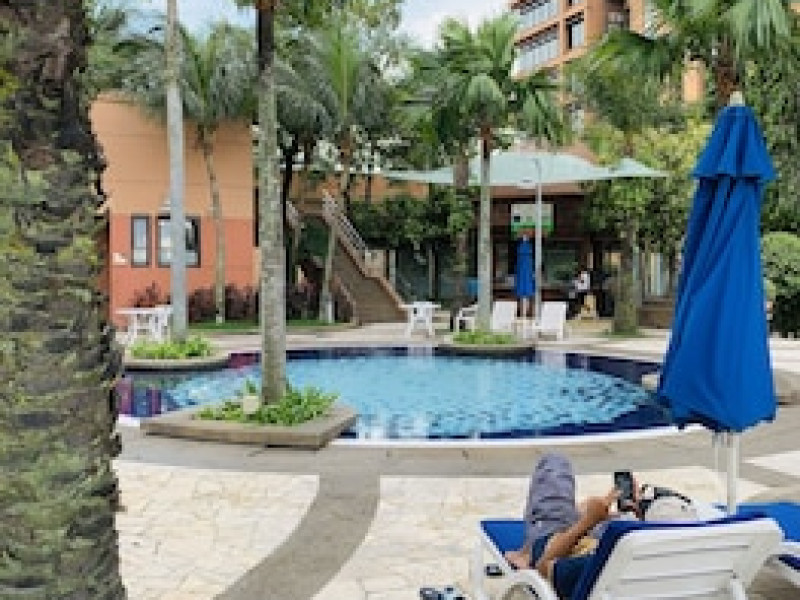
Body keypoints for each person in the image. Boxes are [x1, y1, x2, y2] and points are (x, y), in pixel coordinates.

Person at [505, 455, 698, 599]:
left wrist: (585, 523)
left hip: (554, 539)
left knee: (555, 463)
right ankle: (592, 513)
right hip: (607, 547)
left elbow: (543, 567)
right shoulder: (691, 564)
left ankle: (525, 554)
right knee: (602, 518)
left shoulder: (604, 563)